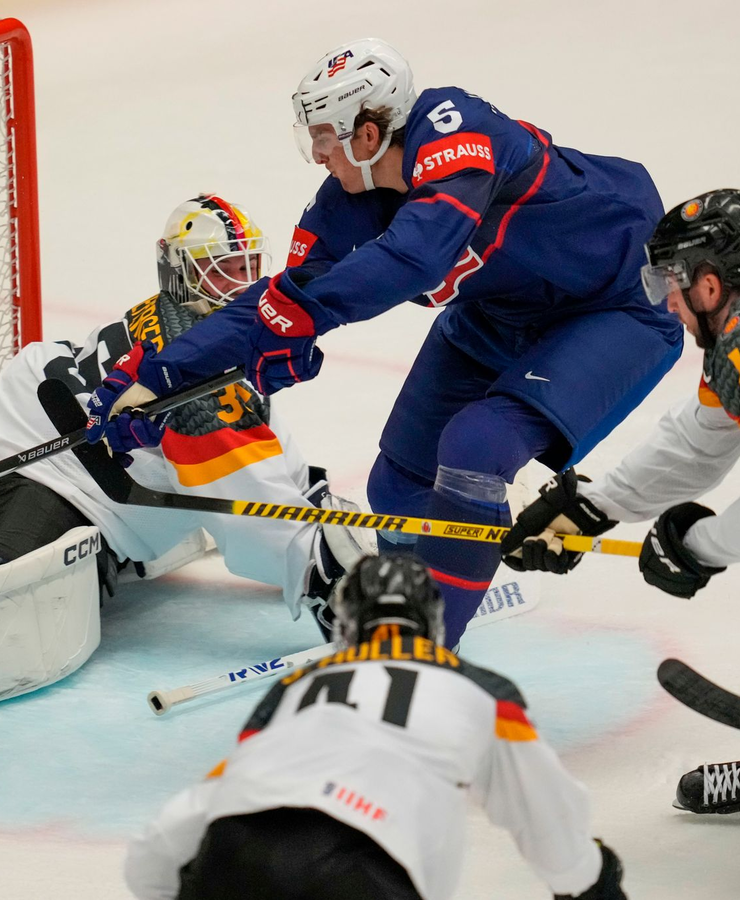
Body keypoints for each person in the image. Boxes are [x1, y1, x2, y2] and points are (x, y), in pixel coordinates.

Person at [85, 38, 683, 650]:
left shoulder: (459, 131)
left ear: (368, 134)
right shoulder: (351, 195)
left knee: (476, 447)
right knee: (397, 484)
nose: (317, 153)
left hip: (619, 306)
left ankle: (420, 657)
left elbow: (412, 259)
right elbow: (281, 296)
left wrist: (300, 317)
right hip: (503, 311)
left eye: (324, 136)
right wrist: (163, 377)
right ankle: (401, 621)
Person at [0, 194, 369, 724]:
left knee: (149, 533)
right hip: (31, 464)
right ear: (180, 273)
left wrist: (321, 519)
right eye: (220, 270)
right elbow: (252, 507)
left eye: (247, 267)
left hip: (99, 466)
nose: (240, 284)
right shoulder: (193, 375)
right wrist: (324, 574)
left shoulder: (204, 332)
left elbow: (266, 458)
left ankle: (114, 553)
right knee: (13, 578)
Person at [124, 554, 626, 900]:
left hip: (234, 855)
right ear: (433, 625)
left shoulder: (294, 688)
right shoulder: (483, 689)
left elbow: (169, 835)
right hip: (368, 869)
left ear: (345, 627)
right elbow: (543, 813)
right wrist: (589, 878)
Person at [500, 188, 740, 815]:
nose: (667, 302)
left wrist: (701, 547)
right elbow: (702, 440)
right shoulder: (733, 344)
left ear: (708, 284)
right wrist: (594, 506)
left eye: (670, 284)